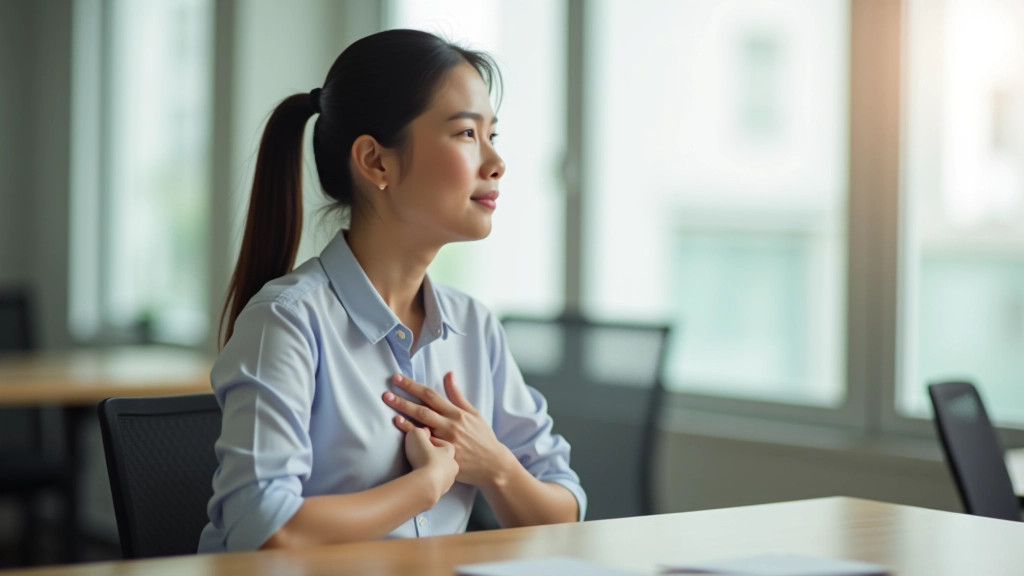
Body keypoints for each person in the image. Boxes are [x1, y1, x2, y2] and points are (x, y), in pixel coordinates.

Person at [197, 29, 586, 553]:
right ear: (376, 161)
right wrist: (425, 486)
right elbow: (267, 530)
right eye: (467, 134)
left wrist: (493, 465)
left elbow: (566, 509)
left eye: (493, 134)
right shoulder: (286, 321)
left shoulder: (476, 327)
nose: (495, 162)